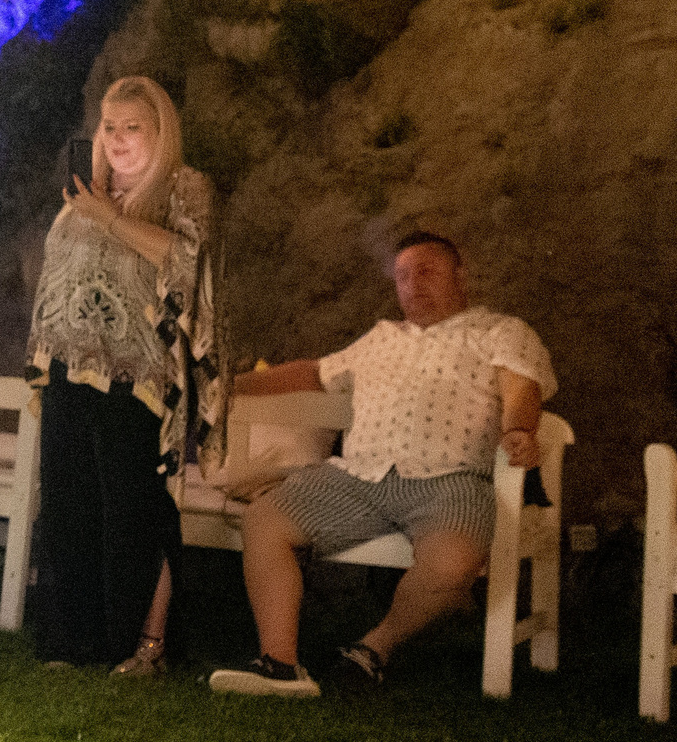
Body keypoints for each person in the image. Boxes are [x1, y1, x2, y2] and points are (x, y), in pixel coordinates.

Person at [210, 231, 553, 700]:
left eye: (427, 271)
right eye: (403, 276)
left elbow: (521, 388)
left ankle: (372, 649)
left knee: (453, 564)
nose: (414, 284)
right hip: (358, 476)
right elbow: (313, 373)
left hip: (449, 479)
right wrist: (229, 385)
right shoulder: (380, 338)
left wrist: (517, 431)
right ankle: (280, 664)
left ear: (461, 275)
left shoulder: (500, 332)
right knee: (264, 520)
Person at [24, 76, 222, 674]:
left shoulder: (184, 188)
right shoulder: (88, 190)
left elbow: (185, 259)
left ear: (161, 132)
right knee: (69, 509)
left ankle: (145, 645)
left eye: (131, 126)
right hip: (70, 368)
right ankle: (76, 641)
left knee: (135, 513)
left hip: (139, 375)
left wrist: (107, 216)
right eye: (109, 126)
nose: (115, 138)